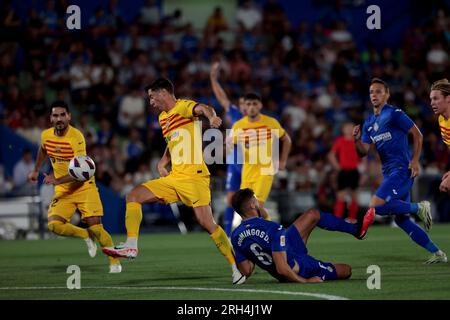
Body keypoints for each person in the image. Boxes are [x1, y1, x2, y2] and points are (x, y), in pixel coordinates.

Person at [102, 78, 246, 284]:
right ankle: (131, 245)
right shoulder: (163, 118)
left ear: (163, 93)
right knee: (133, 195)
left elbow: (205, 108)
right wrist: (163, 162)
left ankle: (235, 267)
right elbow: (172, 143)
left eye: (152, 97)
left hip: (195, 177)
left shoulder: (183, 107)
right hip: (174, 178)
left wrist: (212, 118)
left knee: (207, 223)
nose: (150, 102)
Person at [353, 78, 447, 264]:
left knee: (376, 204)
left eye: (379, 91)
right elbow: (363, 152)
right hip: (389, 173)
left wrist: (415, 161)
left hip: (402, 170)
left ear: (387, 94)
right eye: (372, 92)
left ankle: (419, 207)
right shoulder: (369, 123)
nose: (375, 95)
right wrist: (355, 139)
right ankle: (438, 253)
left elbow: (417, 134)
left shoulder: (394, 113)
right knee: (402, 220)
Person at [27, 100, 122, 273]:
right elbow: (43, 150)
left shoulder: (76, 137)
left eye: (63, 115)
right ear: (51, 118)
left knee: (96, 227)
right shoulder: (46, 135)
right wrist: (36, 170)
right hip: (64, 190)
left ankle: (114, 261)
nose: (59, 118)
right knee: (54, 226)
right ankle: (85, 235)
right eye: (55, 115)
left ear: (69, 116)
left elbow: (82, 171)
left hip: (84, 187)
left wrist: (56, 180)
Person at [230, 188, 375, 283]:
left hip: (287, 249)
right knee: (347, 270)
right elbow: (282, 268)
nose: (259, 203)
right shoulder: (273, 227)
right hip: (297, 267)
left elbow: (246, 271)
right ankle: (318, 270)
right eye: (256, 200)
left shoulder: (236, 235)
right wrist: (304, 281)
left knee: (313, 214)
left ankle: (356, 230)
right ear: (252, 205)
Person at [231, 93, 292, 218]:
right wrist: (228, 143)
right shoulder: (239, 125)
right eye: (249, 104)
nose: (252, 107)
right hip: (247, 171)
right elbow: (231, 144)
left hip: (265, 170)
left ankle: (272, 232)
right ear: (244, 107)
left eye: (255, 104)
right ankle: (262, 231)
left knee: (256, 204)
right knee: (245, 206)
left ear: (260, 105)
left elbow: (287, 140)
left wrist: (283, 161)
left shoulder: (270, 122)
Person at [210, 61, 245, 237]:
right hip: (234, 164)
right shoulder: (235, 114)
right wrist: (213, 79)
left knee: (250, 199)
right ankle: (227, 234)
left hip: (248, 165)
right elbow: (222, 98)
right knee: (230, 199)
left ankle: (254, 229)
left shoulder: (257, 122)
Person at [328, 122, 360, 223]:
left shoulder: (356, 141)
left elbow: (363, 155)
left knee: (354, 196)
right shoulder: (340, 141)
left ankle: (352, 219)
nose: (349, 129)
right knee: (340, 196)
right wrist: (337, 167)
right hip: (343, 171)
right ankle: (337, 219)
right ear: (342, 130)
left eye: (351, 127)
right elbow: (331, 155)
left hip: (354, 171)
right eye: (347, 127)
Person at [429, 78, 450, 193]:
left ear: (448, 98)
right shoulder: (441, 119)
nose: (432, 103)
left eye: (436, 98)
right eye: (431, 99)